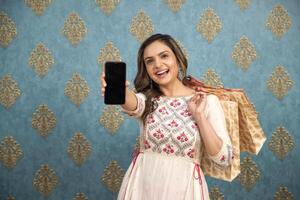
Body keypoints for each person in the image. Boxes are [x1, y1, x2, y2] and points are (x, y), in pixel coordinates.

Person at [100, 33, 233, 200]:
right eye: (150, 61)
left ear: (177, 58)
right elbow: (134, 103)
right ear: (146, 69)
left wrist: (199, 116)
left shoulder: (205, 101)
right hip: (142, 187)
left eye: (164, 56)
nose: (158, 64)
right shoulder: (148, 100)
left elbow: (224, 158)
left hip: (184, 190)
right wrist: (120, 91)